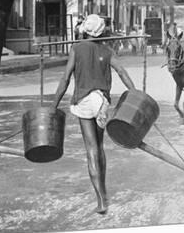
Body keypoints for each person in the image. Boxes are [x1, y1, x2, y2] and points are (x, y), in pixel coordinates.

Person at [52, 13, 136, 215]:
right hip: (102, 102)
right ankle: (104, 190)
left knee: (90, 149)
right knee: (100, 147)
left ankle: (101, 200)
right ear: (101, 31)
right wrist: (135, 96)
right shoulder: (107, 50)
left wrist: (52, 106)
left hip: (84, 101)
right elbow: (122, 72)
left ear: (85, 30)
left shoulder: (77, 48)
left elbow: (65, 79)